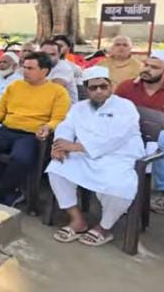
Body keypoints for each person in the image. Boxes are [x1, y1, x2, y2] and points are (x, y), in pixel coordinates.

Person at [47, 66, 145, 246]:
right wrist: (59, 145)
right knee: (56, 169)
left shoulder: (125, 106)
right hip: (83, 155)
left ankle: (104, 227)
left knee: (119, 187)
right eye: (93, 87)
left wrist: (75, 146)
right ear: (86, 89)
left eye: (103, 86)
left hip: (118, 156)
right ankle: (77, 220)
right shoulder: (79, 108)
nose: (99, 91)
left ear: (110, 86)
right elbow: (66, 127)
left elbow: (117, 137)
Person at [0, 52, 71, 206]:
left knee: (20, 158)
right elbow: (0, 111)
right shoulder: (15, 86)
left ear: (44, 71)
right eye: (24, 67)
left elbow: (59, 119)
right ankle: (11, 189)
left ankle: (1, 190)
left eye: (30, 68)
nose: (25, 71)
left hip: (32, 134)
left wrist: (48, 126)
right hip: (7, 129)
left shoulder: (58, 92)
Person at [115, 51, 164, 213]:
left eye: (154, 67)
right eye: (146, 65)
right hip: (129, 131)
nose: (147, 69)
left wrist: (158, 126)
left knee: (161, 140)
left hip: (162, 132)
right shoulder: (127, 86)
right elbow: (113, 111)